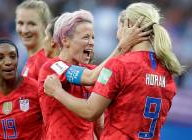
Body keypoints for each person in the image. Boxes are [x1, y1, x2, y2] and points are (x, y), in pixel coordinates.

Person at [44, 2, 184, 140]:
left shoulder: (118, 66)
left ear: (128, 25)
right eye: (86, 37)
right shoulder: (167, 72)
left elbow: (90, 110)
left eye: (118, 28)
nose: (92, 42)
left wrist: (57, 91)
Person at [0, 38, 43, 140]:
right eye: (0, 58)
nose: (8, 62)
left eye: (12, 56)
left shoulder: (35, 88)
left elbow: (53, 124)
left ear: (18, 58)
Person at [15, 0, 56, 80]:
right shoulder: (32, 61)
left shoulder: (44, 62)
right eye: (20, 23)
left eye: (31, 24)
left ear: (46, 26)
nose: (24, 30)